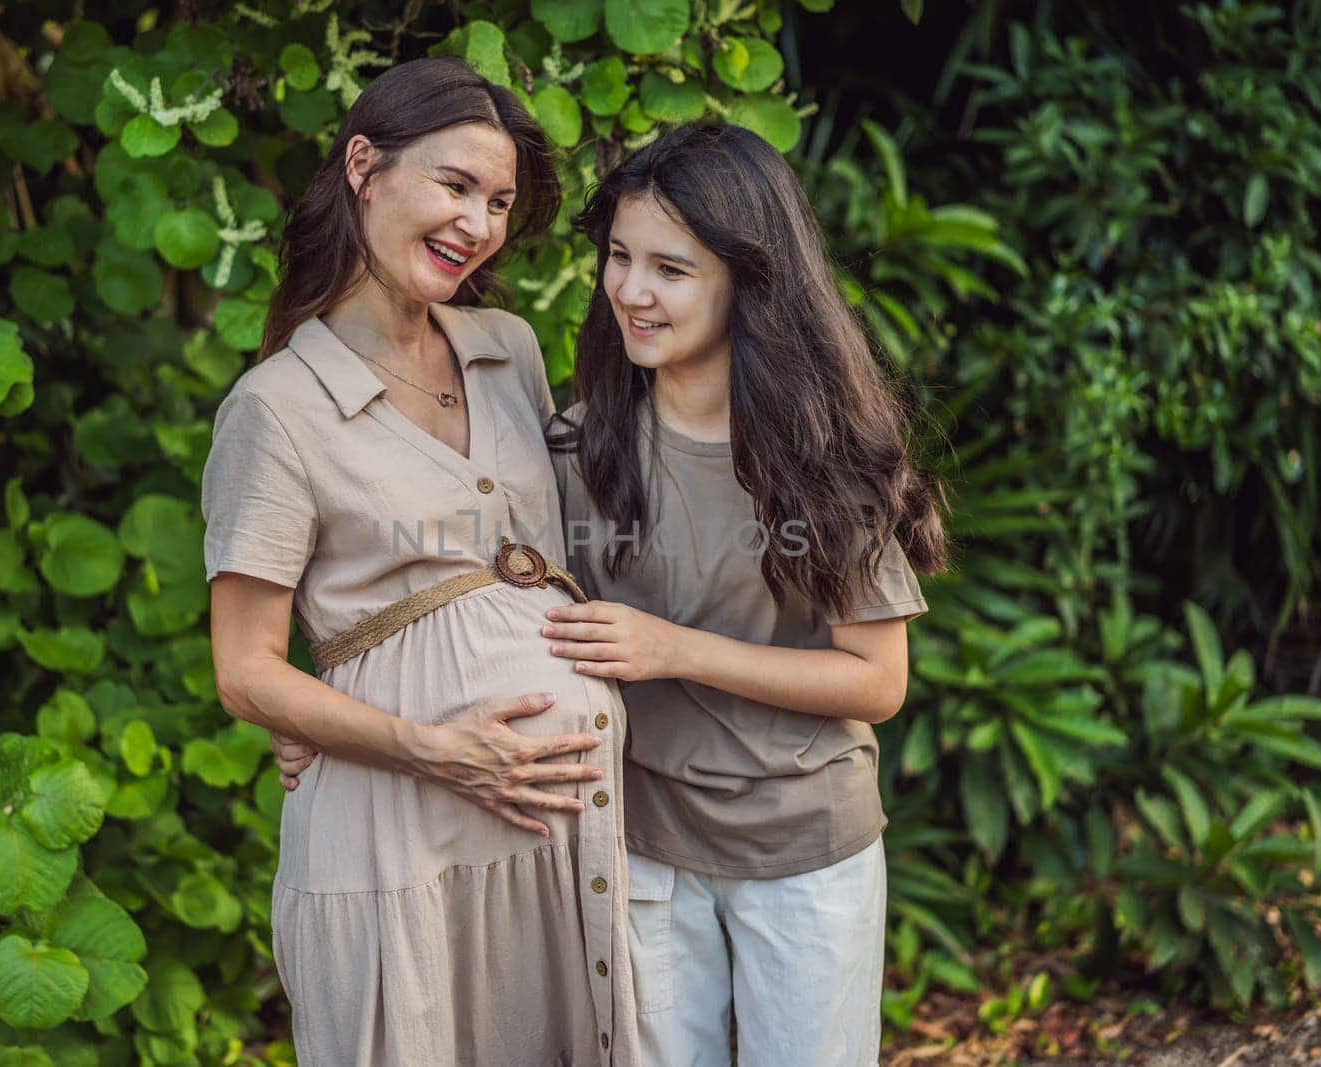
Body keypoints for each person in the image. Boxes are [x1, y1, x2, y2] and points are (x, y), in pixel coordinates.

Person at [203, 57, 638, 1066]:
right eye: (455, 186)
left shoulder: (508, 346)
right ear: (364, 164)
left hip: (547, 830)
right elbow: (245, 668)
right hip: (397, 827)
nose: (479, 223)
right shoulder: (274, 409)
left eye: (496, 202)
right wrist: (433, 744)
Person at [541, 122, 947, 1066]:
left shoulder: (825, 455)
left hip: (803, 848)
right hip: (640, 843)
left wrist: (671, 649)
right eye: (618, 257)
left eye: (670, 270)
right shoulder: (575, 445)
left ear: (747, 280)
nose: (631, 292)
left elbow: (876, 683)